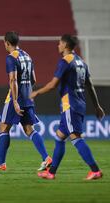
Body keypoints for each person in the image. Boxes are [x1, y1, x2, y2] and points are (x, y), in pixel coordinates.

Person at [31, 34, 105, 180]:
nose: (58, 45)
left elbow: (53, 85)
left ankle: (95, 170)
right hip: (78, 104)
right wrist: (97, 106)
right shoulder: (82, 62)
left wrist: (36, 93)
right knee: (59, 137)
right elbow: (89, 85)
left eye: (59, 43)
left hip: (70, 104)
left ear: (65, 45)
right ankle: (51, 173)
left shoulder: (65, 61)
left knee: (75, 137)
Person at [0, 31, 52, 172]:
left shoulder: (11, 58)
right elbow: (34, 79)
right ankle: (47, 158)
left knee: (4, 128)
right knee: (29, 129)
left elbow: (13, 80)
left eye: (4, 42)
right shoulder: (27, 55)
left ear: (7, 43)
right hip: (28, 96)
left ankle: (1, 164)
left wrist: (15, 101)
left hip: (16, 97)